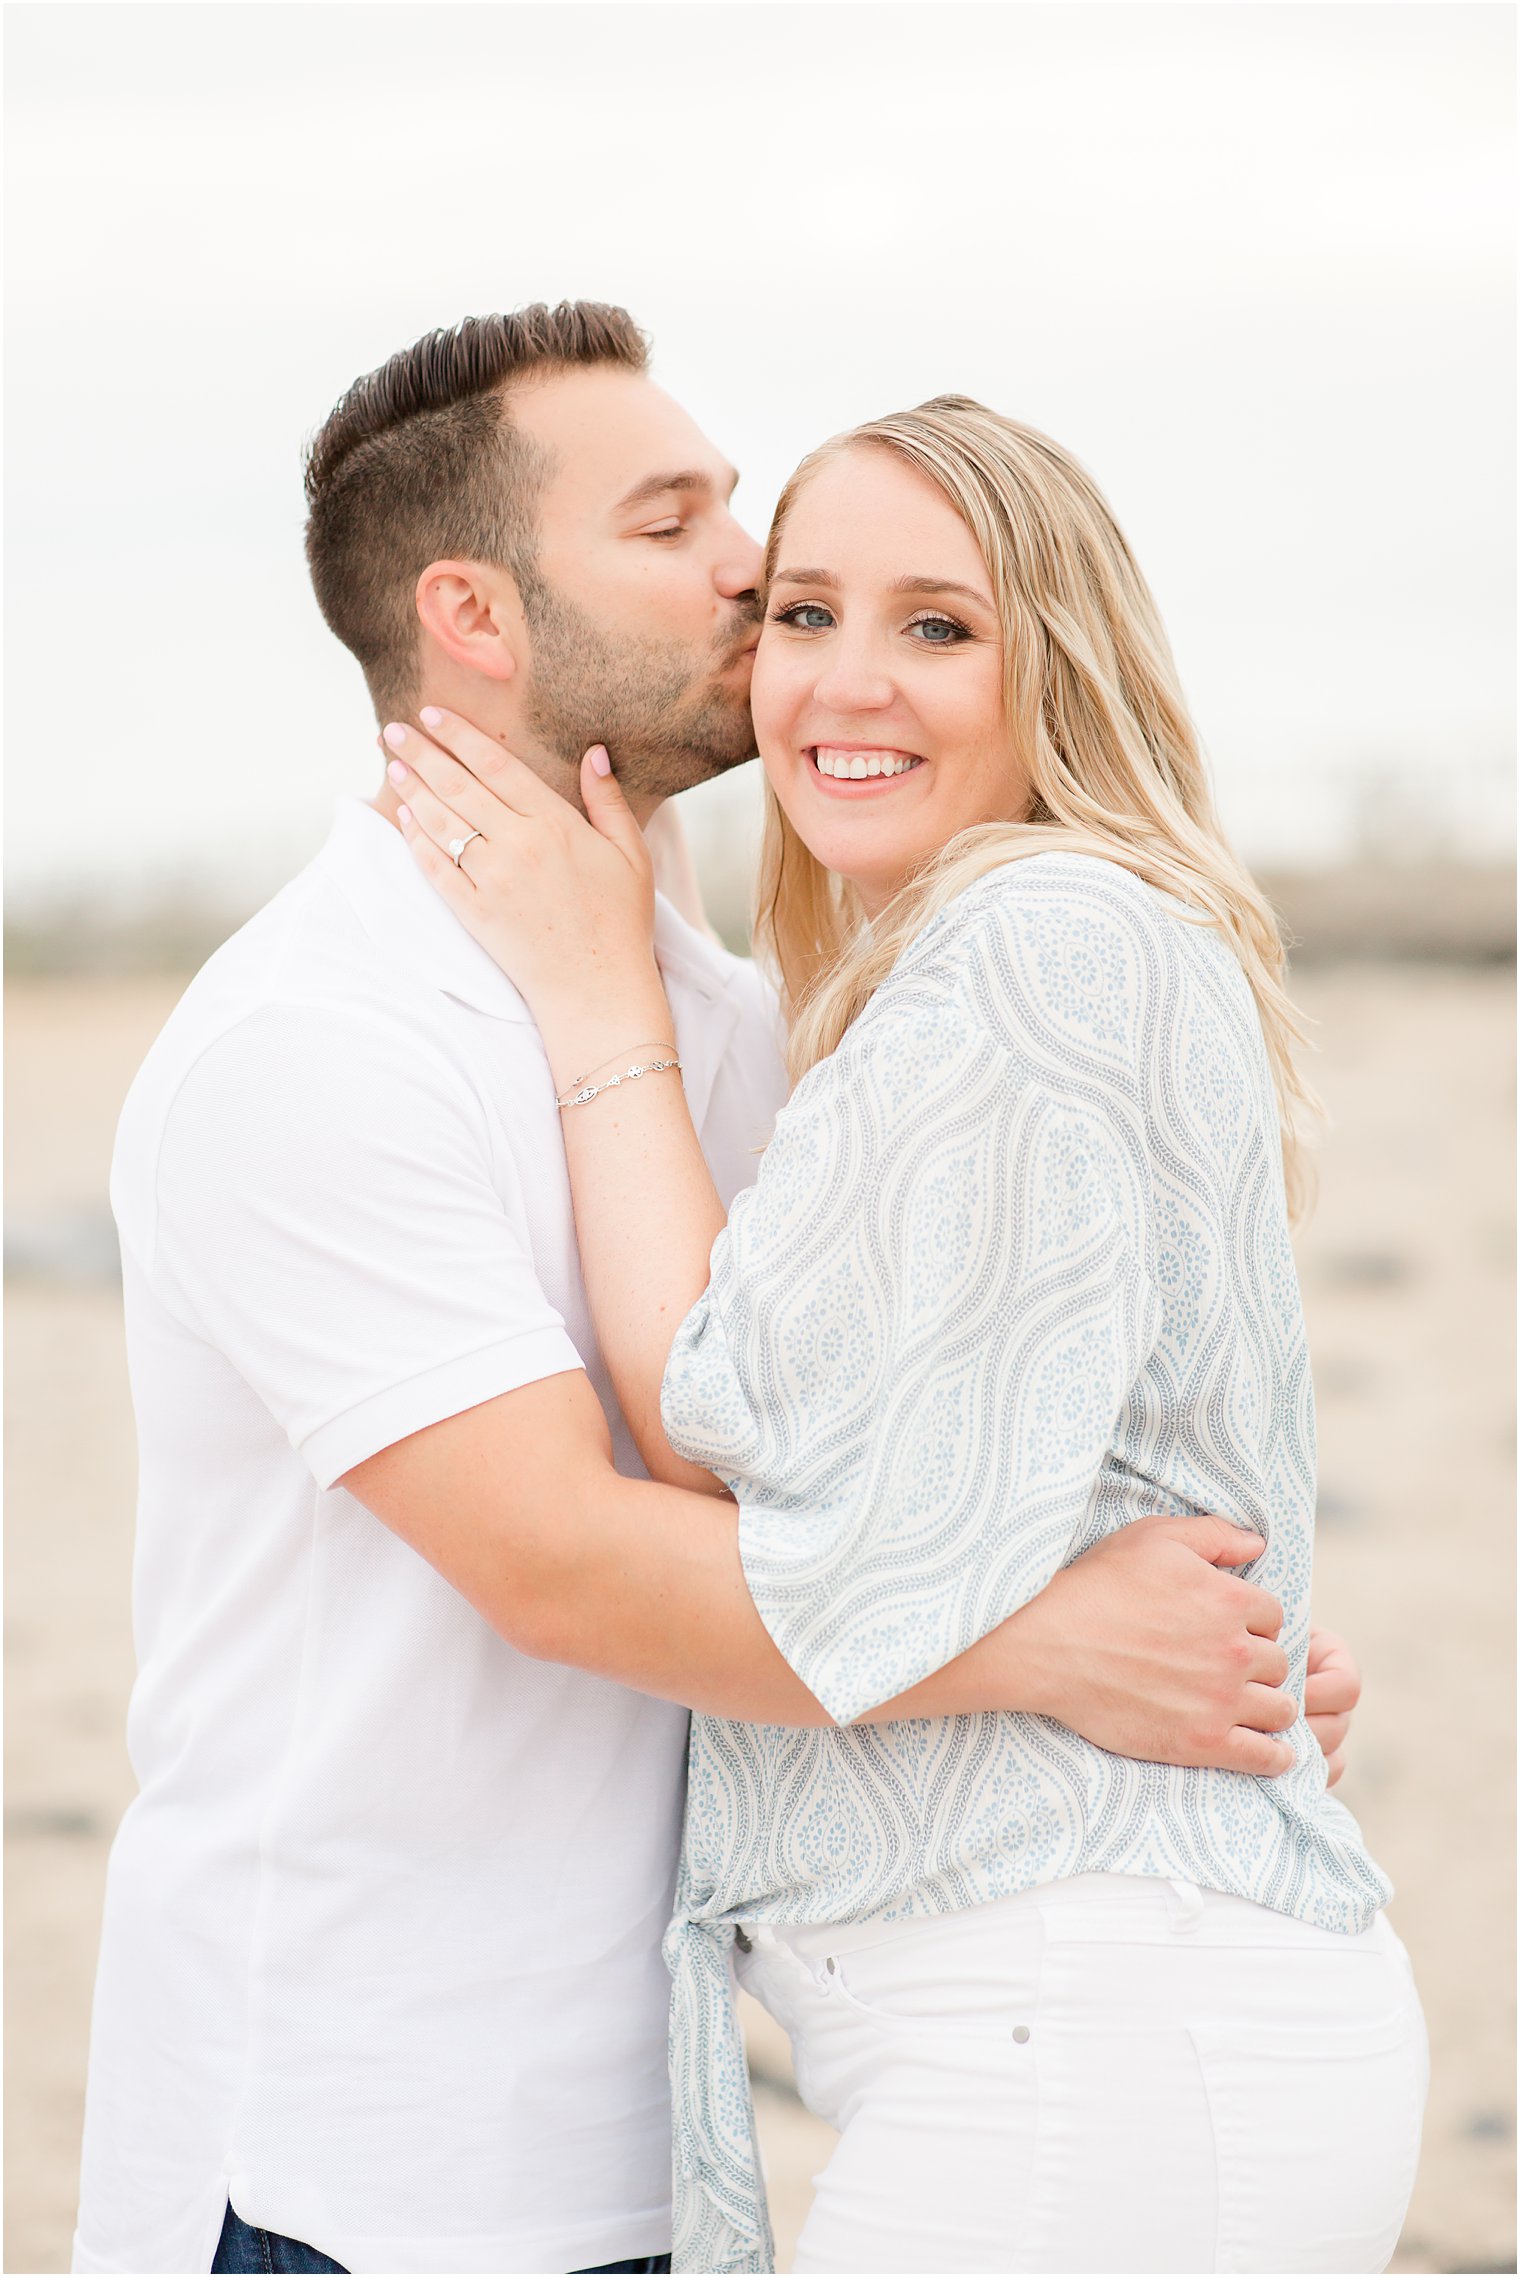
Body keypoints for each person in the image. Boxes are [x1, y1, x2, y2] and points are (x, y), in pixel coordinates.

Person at [75, 305, 1359, 2277]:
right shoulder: (317, 1041)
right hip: (354, 2162)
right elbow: (566, 1557)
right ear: (477, 615)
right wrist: (1048, 1648)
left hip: (669, 2125)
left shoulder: (724, 1025)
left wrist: (1191, 1657)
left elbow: (880, 1458)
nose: (747, 567)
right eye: (673, 522)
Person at [381, 392, 1426, 2274]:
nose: (846, 682)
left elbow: (735, 1426)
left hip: (1088, 2039)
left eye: (938, 625)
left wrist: (596, 988)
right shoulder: (988, 963)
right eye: (803, 613)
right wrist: (1076, 1636)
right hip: (1097, 2025)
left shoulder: (1036, 949)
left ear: (1063, 667)